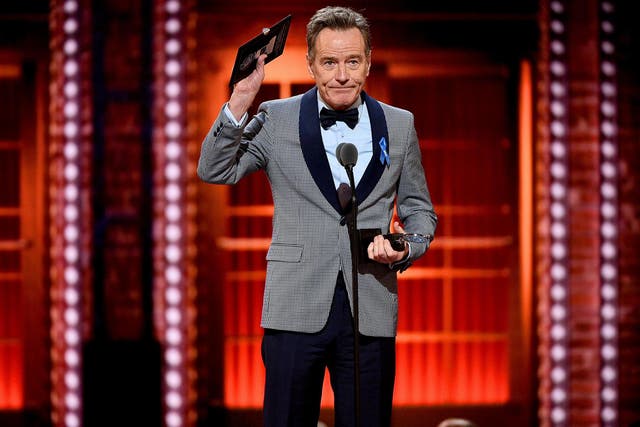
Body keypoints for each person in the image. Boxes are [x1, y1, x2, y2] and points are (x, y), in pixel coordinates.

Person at [197, 6, 437, 427]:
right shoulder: (276, 117)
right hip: (294, 304)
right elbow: (216, 170)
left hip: (370, 307)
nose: (341, 74)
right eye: (329, 62)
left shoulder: (400, 125)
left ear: (368, 61)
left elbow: (419, 211)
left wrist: (403, 248)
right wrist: (240, 99)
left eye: (352, 61)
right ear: (311, 63)